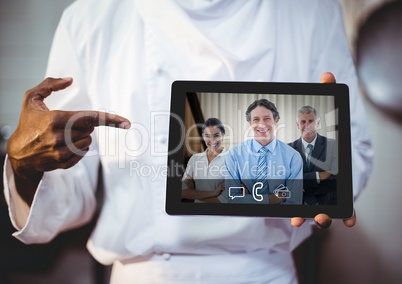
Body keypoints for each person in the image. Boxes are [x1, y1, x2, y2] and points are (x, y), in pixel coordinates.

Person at [3, 0, 372, 283]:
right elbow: (70, 193)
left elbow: (354, 150)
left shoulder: (311, 10)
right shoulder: (92, 16)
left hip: (261, 272)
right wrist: (25, 167)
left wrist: (327, 177)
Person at [224, 99, 303, 204]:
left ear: (276, 120)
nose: (261, 124)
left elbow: (294, 203)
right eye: (256, 119)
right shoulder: (234, 155)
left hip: (280, 219)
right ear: (249, 123)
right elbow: (232, 199)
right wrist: (271, 199)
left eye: (267, 118)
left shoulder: (293, 157)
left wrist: (248, 199)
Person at [288, 106, 337, 205]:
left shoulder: (333, 145)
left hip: (327, 205)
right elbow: (288, 182)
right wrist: (318, 176)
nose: (307, 126)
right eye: (303, 122)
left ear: (318, 123)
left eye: (311, 121)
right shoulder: (288, 149)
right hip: (297, 206)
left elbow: (336, 179)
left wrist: (302, 184)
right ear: (297, 125)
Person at [181, 118, 226, 203]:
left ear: (223, 134)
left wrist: (194, 194)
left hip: (219, 214)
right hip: (196, 214)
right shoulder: (195, 159)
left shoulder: (231, 160)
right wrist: (213, 193)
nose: (212, 140)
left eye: (216, 135)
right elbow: (182, 192)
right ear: (203, 136)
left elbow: (223, 200)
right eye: (207, 136)